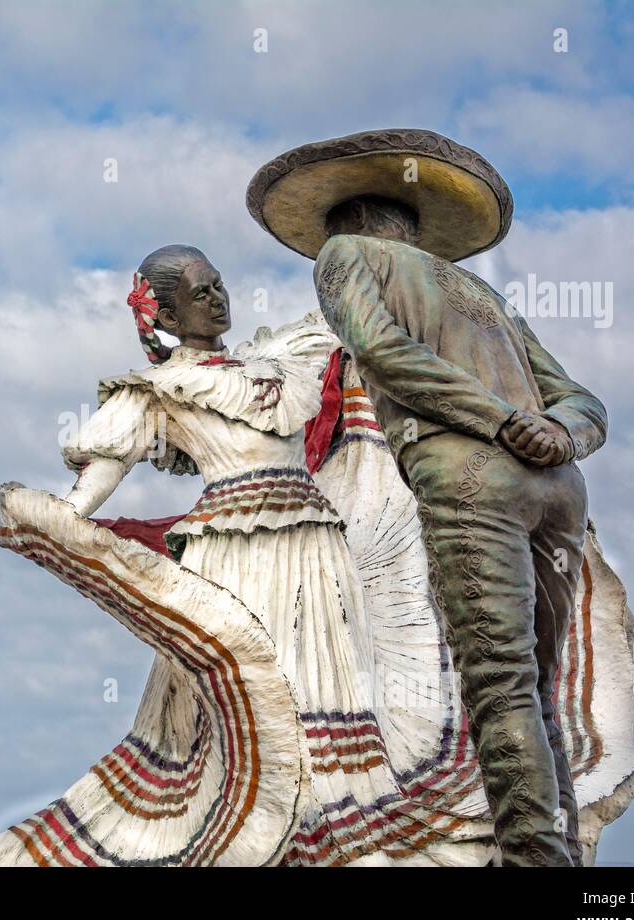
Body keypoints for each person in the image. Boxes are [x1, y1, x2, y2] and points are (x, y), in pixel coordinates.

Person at [0, 238, 634, 867]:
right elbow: (99, 474)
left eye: (219, 285)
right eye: (199, 293)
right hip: (235, 558)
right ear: (165, 311)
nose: (216, 299)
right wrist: (62, 521)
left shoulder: (278, 359)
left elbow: (362, 339)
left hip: (319, 549)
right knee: (252, 715)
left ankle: (336, 843)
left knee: (337, 712)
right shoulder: (154, 392)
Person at [249, 128, 610, 865]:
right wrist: (556, 434)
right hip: (559, 489)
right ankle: (559, 854)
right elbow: (583, 400)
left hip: (469, 472)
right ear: (411, 228)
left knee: (501, 685)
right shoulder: (481, 294)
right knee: (537, 691)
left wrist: (501, 423)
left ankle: (536, 860)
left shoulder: (345, 259)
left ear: (346, 226)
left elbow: (380, 349)